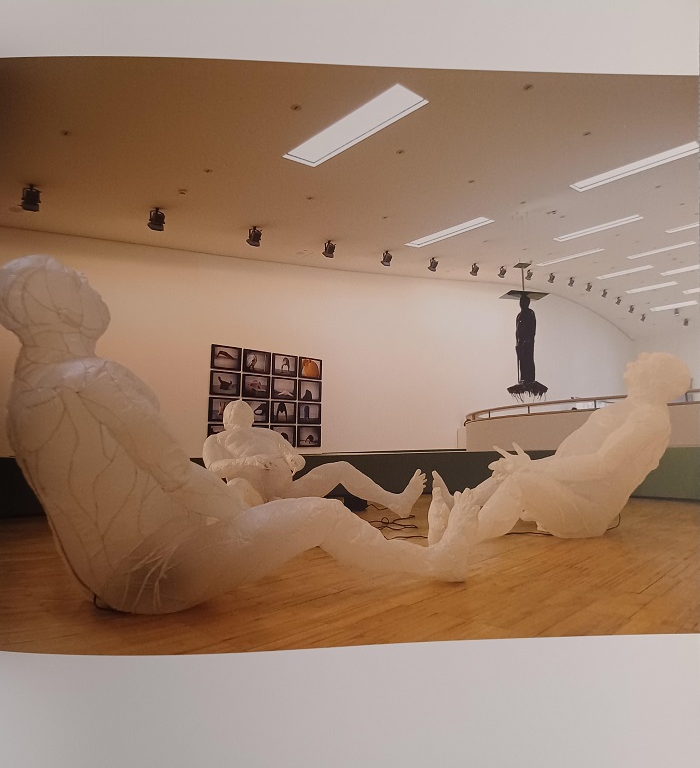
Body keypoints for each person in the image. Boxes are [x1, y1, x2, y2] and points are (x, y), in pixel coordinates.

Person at [0, 255, 474, 615]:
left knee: (307, 492)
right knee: (326, 514)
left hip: (107, 581)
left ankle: (394, 506)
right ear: (54, 306)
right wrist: (246, 520)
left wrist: (282, 470)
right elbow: (179, 475)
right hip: (159, 570)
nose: (88, 284)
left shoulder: (26, 396)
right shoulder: (91, 378)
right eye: (76, 281)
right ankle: (436, 563)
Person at [428, 352, 691, 541]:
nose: (638, 360)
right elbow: (576, 458)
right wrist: (529, 465)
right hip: (572, 491)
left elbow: (602, 464)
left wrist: (533, 469)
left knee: (520, 481)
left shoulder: (649, 419)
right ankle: (462, 505)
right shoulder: (634, 409)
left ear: (658, 379)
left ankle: (461, 538)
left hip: (586, 510)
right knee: (510, 469)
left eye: (647, 362)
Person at [203, 400, 426, 518]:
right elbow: (213, 468)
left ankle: (396, 502)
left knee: (341, 467)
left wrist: (294, 459)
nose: (239, 411)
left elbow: (295, 456)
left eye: (243, 411)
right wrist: (248, 461)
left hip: (287, 492)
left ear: (251, 417)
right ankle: (251, 531)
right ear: (225, 421)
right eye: (233, 411)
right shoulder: (216, 440)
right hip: (253, 498)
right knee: (235, 486)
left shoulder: (270, 434)